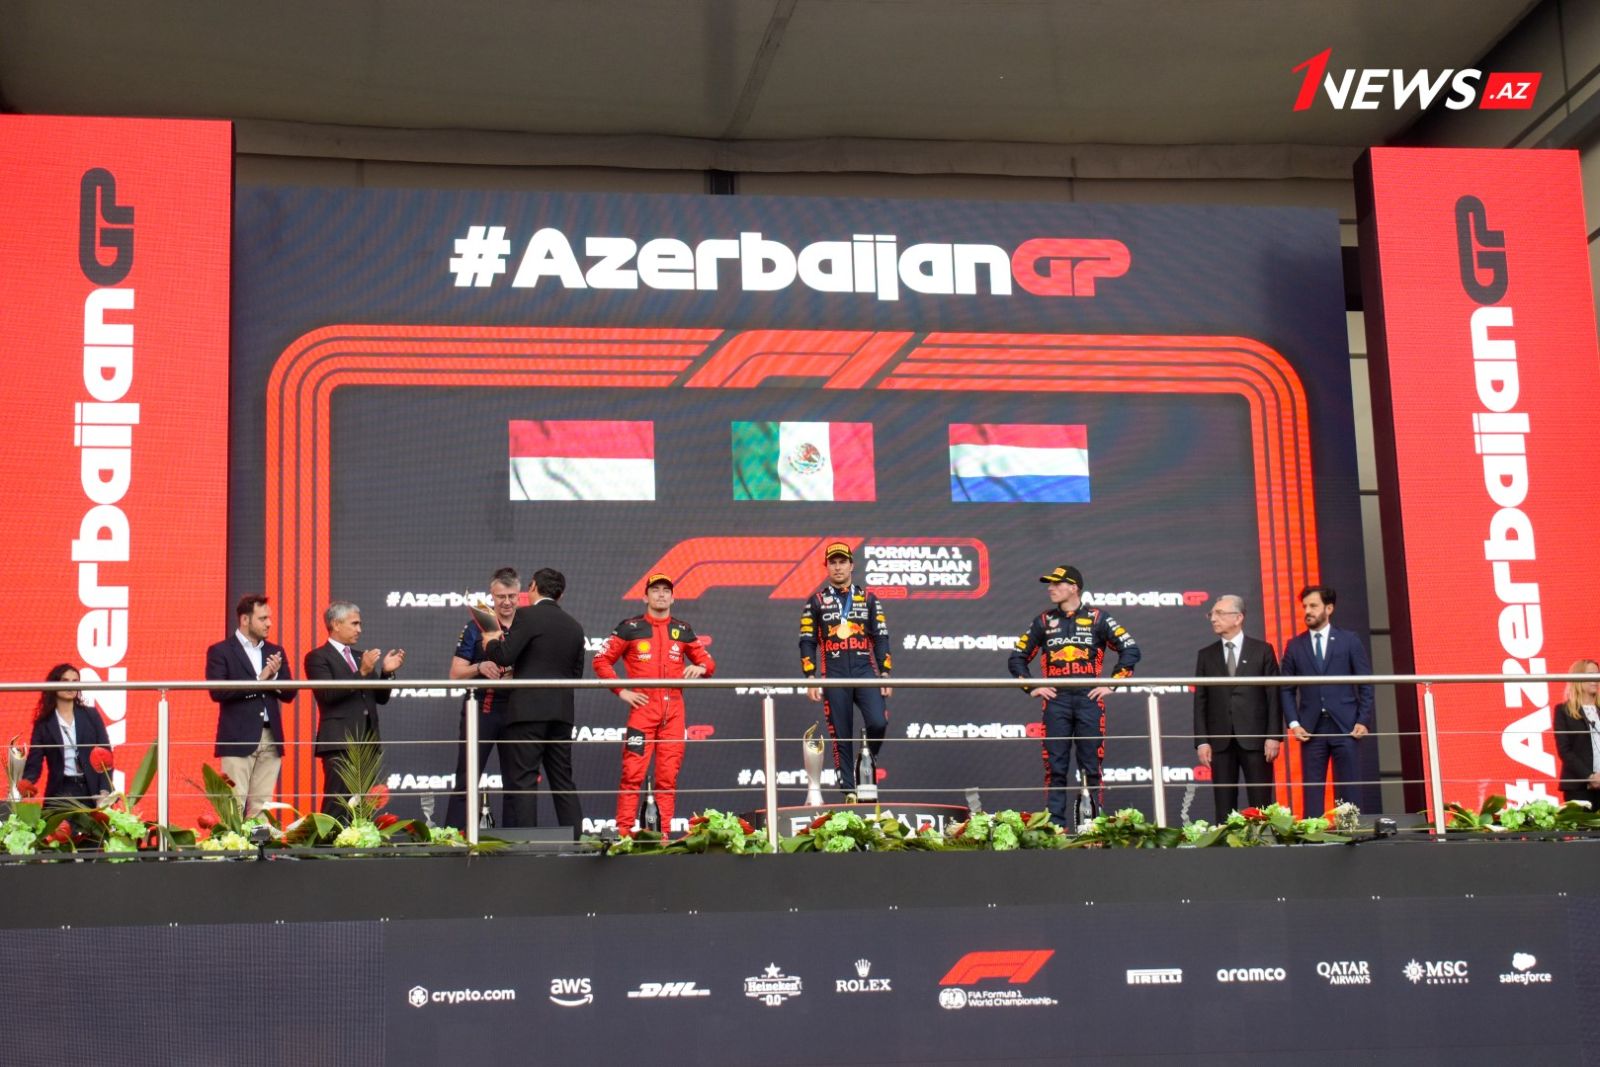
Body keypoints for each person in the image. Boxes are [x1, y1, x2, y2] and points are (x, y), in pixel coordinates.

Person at [1008, 564, 1139, 828]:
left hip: (1089, 699)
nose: (1051, 588)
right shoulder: (1044, 621)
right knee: (1055, 767)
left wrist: (1113, 683)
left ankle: (1093, 827)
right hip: (1055, 700)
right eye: (1050, 584)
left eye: (1057, 584)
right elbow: (1017, 658)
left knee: (1091, 767)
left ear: (1074, 587)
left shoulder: (1098, 618)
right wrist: (1031, 687)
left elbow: (1131, 650)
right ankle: (1055, 827)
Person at [593, 572, 715, 837]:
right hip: (642, 712)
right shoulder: (630, 627)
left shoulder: (683, 630)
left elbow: (709, 663)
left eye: (666, 590)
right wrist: (621, 690)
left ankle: (663, 838)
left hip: (674, 714)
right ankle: (624, 835)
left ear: (673, 597)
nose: (661, 594)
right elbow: (601, 660)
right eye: (655, 590)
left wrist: (701, 667)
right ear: (645, 596)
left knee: (667, 779)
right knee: (632, 774)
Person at [484, 567, 586, 830]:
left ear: (532, 587)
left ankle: (527, 845)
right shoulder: (575, 626)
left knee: (524, 781)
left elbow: (504, 655)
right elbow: (576, 675)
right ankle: (578, 842)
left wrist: (491, 641)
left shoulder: (526, 616)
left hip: (528, 713)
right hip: (561, 714)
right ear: (560, 595)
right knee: (563, 780)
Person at [798, 542, 892, 800]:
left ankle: (866, 761)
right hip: (834, 673)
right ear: (826, 567)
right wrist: (810, 676)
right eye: (833, 562)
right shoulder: (816, 602)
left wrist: (885, 673)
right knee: (841, 735)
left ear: (851, 565)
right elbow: (807, 641)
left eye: (842, 562)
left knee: (878, 721)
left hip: (865, 670)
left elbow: (881, 637)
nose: (838, 567)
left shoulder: (868, 599)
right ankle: (849, 791)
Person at [1278, 584, 1374, 817]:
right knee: (1312, 790)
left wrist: (1363, 719)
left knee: (1349, 788)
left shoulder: (1349, 640)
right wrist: (1294, 723)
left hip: (1346, 726)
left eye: (1313, 606)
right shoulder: (1294, 645)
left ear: (1328, 608)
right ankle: (1313, 833)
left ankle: (1350, 832)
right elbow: (1286, 688)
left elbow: (1366, 683)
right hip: (1311, 728)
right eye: (1305, 606)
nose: (1307, 611)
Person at [305, 601, 404, 814]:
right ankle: (331, 838)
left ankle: (360, 838)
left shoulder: (361, 657)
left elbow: (381, 697)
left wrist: (386, 673)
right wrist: (362, 672)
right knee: (338, 805)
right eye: (354, 623)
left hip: (368, 743)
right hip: (339, 743)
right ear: (336, 624)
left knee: (364, 809)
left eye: (360, 624)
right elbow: (327, 695)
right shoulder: (317, 657)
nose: (359, 629)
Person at [204, 594, 296, 817]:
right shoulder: (221, 651)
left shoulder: (275, 651)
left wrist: (273, 678)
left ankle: (259, 841)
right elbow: (218, 692)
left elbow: (290, 693)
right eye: (263, 618)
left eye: (269, 618)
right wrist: (259, 681)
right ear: (245, 620)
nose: (269, 623)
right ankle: (233, 842)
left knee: (262, 807)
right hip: (237, 737)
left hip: (271, 736)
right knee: (233, 806)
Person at [1192, 594, 1282, 821]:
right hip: (1220, 741)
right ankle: (1224, 842)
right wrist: (1202, 741)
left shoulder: (1262, 650)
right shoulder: (1206, 655)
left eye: (1219, 613)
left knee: (1261, 803)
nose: (1213, 618)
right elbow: (1200, 700)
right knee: (1224, 805)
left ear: (1238, 617)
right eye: (1211, 614)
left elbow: (1273, 695)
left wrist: (1274, 736)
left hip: (1256, 739)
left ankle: (1263, 841)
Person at [446, 567, 522, 830]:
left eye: (512, 596)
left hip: (517, 712)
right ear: (492, 596)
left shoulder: (527, 625)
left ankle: (515, 842)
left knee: (516, 782)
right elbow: (455, 674)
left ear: (519, 595)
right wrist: (479, 667)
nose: (507, 602)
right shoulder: (476, 625)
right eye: (501, 596)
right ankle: (454, 839)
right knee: (467, 778)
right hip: (482, 710)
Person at [22, 663, 112, 809]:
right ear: (54, 685)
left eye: (75, 681)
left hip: (91, 791)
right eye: (65, 681)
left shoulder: (91, 715)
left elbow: (106, 755)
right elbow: (35, 762)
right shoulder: (44, 724)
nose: (71, 686)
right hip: (61, 790)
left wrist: (104, 791)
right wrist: (24, 784)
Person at [1552, 658, 1600, 809]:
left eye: (1597, 674)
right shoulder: (1563, 711)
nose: (1595, 679)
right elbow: (1565, 750)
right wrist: (1590, 777)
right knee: (1582, 825)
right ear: (1578, 678)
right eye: (1590, 674)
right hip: (1578, 787)